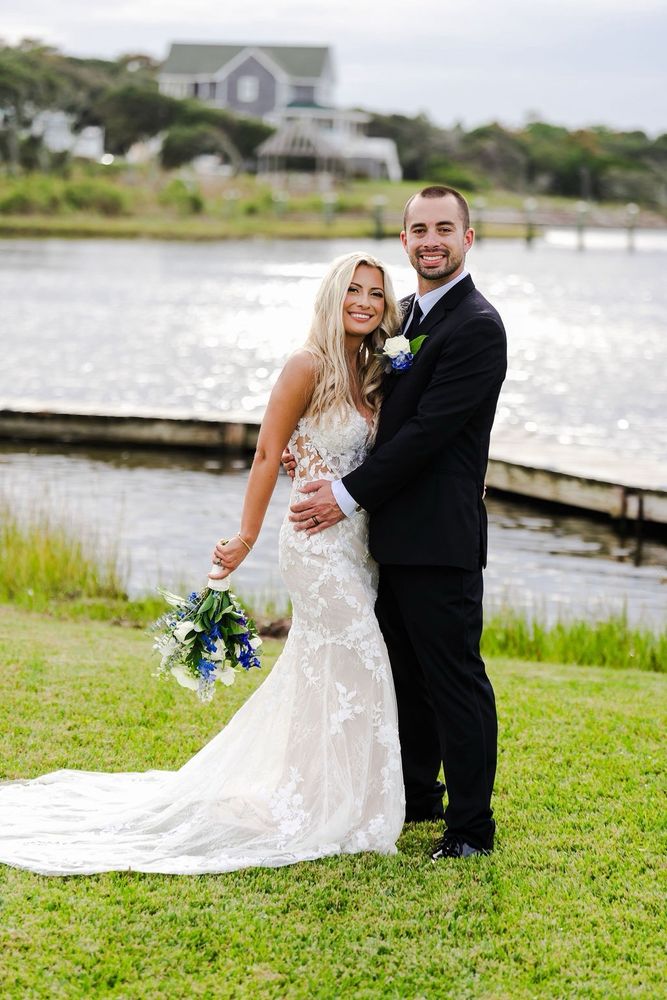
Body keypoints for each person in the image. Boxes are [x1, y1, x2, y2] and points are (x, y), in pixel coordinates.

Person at [0, 252, 405, 876]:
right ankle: (332, 804)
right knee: (364, 659)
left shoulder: (375, 371)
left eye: (375, 293)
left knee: (325, 670)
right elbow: (270, 450)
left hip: (358, 546)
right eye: (353, 288)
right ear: (332, 296)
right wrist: (244, 537)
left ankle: (314, 793)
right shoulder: (308, 366)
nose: (364, 301)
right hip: (314, 547)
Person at [286, 186, 507, 859]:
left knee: (453, 680)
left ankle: (470, 829)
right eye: (418, 229)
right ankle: (416, 796)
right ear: (404, 239)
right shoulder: (403, 316)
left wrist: (345, 493)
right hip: (386, 538)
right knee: (402, 676)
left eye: (444, 228)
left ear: (468, 238)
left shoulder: (475, 325)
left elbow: (428, 436)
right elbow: (366, 407)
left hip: (438, 538)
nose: (430, 240)